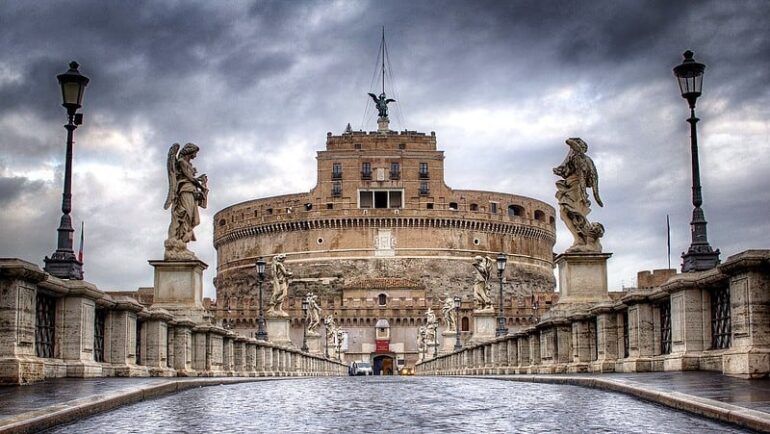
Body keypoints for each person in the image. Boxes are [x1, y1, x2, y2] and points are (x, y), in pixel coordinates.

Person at [553, 137, 604, 252]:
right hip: (569, 186)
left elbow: (582, 177)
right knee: (565, 213)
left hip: (576, 188)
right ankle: (579, 239)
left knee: (574, 213)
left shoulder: (582, 159)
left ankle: (585, 239)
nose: (571, 149)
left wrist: (583, 194)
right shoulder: (574, 157)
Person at [164, 143, 208, 259]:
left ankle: (181, 244)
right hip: (185, 191)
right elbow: (188, 177)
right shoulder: (182, 162)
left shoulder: (187, 163)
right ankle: (177, 245)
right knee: (185, 216)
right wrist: (200, 185)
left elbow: (190, 177)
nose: (196, 155)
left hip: (191, 192)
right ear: (190, 151)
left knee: (193, 220)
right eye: (195, 153)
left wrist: (200, 182)